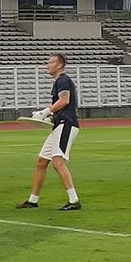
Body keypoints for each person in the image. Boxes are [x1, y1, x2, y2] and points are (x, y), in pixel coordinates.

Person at [16, 53, 81, 211]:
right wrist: (50, 117)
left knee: (58, 162)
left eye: (50, 62)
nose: (47, 65)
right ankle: (33, 200)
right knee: (41, 162)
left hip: (67, 125)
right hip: (59, 125)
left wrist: (45, 112)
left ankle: (74, 201)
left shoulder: (63, 80)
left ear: (59, 65)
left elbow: (64, 100)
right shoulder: (59, 81)